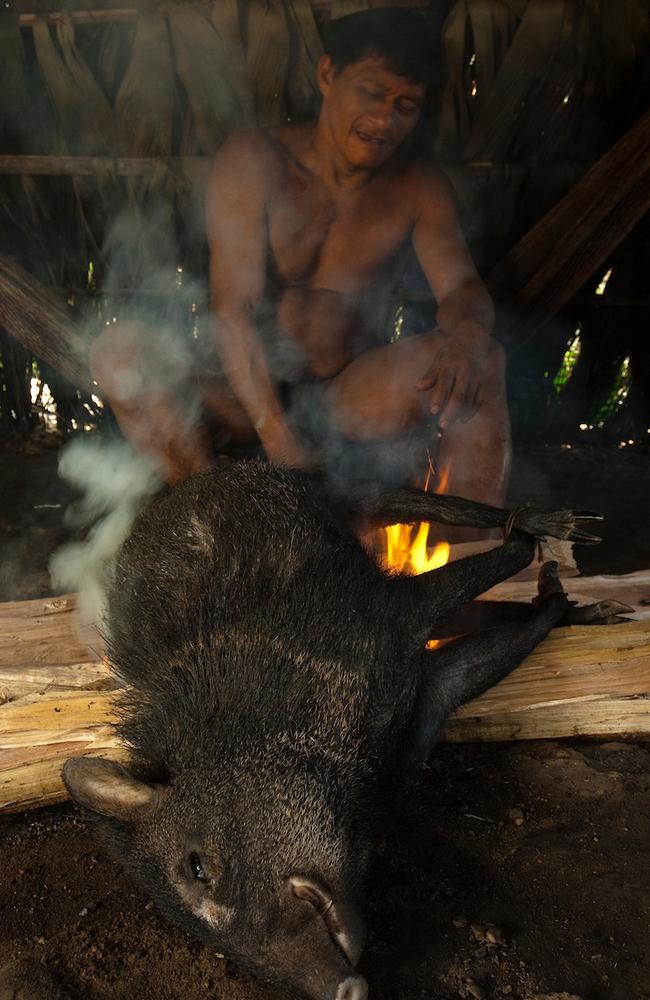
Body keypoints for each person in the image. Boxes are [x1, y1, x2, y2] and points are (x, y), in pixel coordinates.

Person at [92, 7, 510, 504]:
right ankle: (215, 516)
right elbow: (233, 308)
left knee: (483, 359)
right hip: (239, 396)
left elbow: (461, 287)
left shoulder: (419, 188)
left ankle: (469, 556)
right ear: (329, 75)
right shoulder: (254, 161)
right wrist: (279, 440)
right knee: (119, 354)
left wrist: (465, 338)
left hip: (347, 394)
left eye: (406, 104)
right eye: (372, 92)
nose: (384, 119)